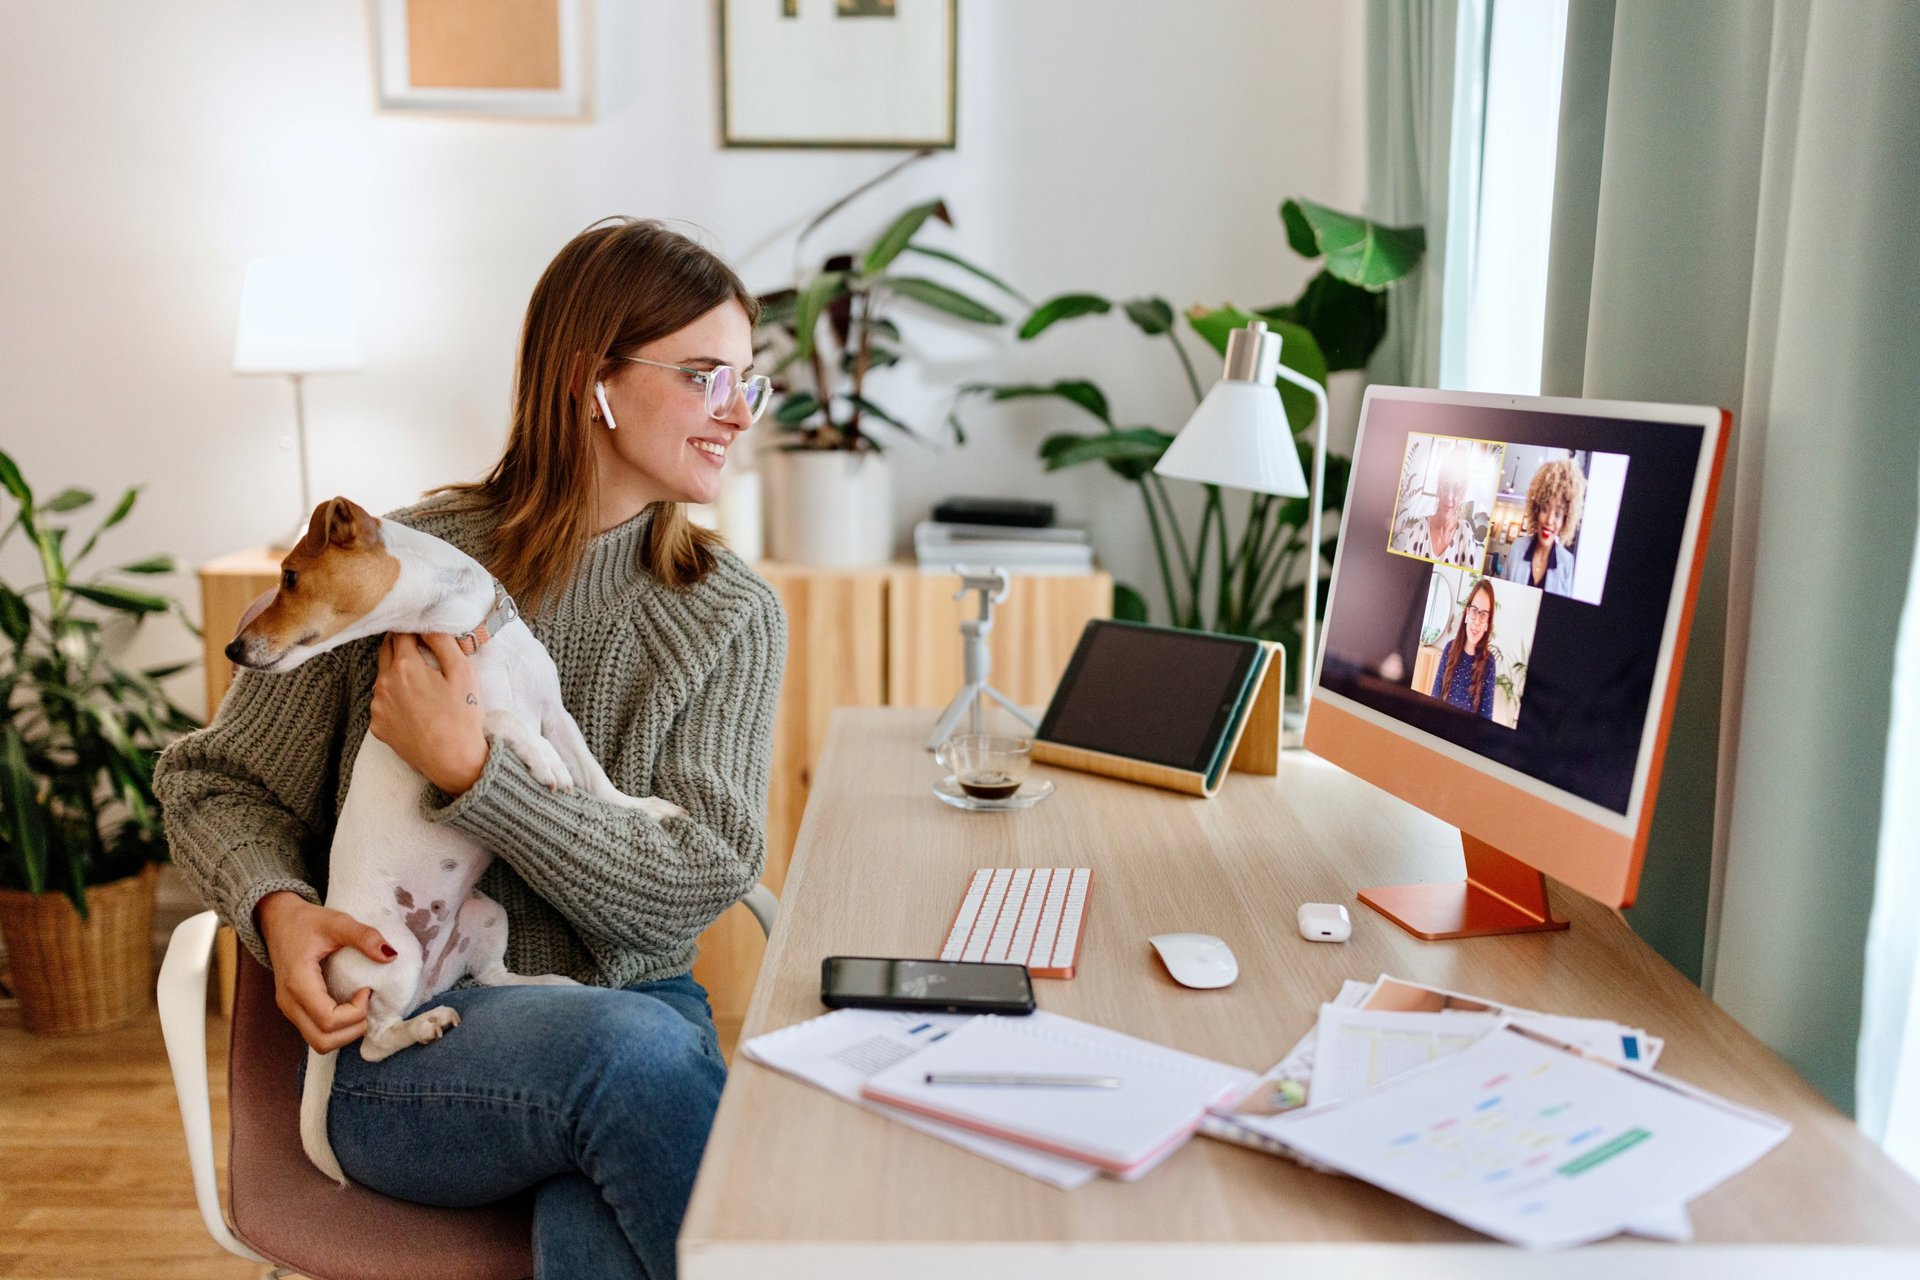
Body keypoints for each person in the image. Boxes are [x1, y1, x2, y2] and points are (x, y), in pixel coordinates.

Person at [153, 218, 787, 1280]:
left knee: (609, 1177)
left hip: (625, 1018)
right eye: (704, 375)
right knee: (638, 1068)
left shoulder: (727, 612)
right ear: (593, 379)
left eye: (748, 383)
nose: (738, 413)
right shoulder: (400, 565)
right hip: (418, 1042)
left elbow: (684, 891)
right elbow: (210, 780)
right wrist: (275, 903)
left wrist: (475, 776)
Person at [1391, 444, 1485, 570]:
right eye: (1445, 487)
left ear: (1463, 493)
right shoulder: (1421, 528)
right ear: (1438, 489)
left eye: (1457, 489)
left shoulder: (1465, 532)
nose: (1449, 497)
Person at [1504, 457, 1585, 596]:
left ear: (1566, 520)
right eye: (1545, 509)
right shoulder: (1517, 548)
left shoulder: (1567, 563)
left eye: (1558, 514)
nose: (1549, 520)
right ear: (1536, 510)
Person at [1429, 577, 1498, 720]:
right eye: (1474, 611)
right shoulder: (1449, 649)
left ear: (1488, 622)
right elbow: (1434, 698)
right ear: (1467, 613)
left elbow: (1486, 719)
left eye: (1483, 614)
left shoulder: (1489, 663)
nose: (1477, 621)